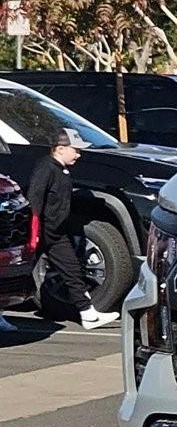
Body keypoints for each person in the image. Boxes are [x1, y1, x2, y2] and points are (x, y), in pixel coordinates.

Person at [27, 131, 118, 330]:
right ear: (59, 149)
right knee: (20, 272)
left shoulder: (62, 170)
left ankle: (88, 314)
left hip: (56, 233)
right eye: (75, 150)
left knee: (72, 270)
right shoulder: (45, 168)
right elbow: (34, 199)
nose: (78, 155)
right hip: (41, 232)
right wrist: (32, 232)